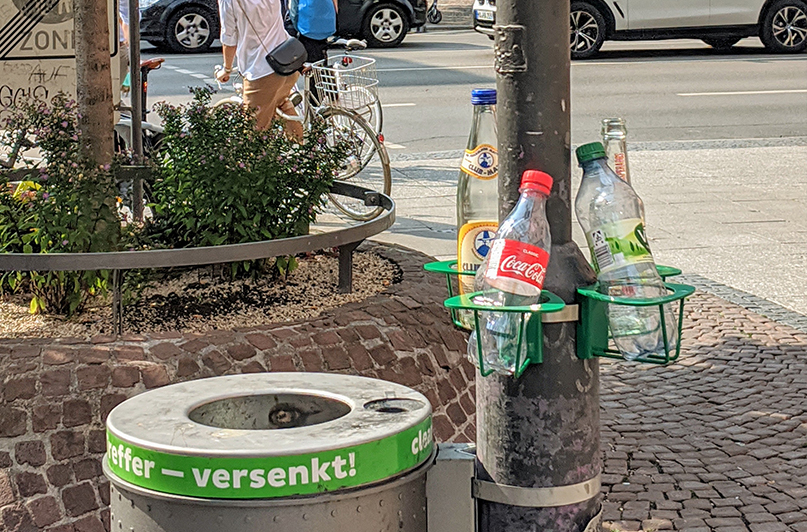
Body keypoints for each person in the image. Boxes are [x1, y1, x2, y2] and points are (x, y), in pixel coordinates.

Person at [216, 0, 302, 137]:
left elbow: (229, 38)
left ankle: (301, 153)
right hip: (288, 60)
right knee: (282, 105)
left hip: (261, 71)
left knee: (254, 134)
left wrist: (226, 69)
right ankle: (306, 150)